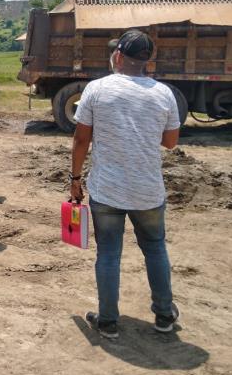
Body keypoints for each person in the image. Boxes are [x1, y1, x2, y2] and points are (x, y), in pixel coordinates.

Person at [70, 30, 181, 339]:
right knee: (155, 249)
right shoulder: (164, 94)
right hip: (148, 190)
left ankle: (107, 321)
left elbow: (81, 139)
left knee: (108, 254)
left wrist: (75, 178)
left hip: (106, 191)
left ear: (118, 56)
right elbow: (171, 142)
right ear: (147, 61)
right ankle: (163, 315)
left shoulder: (97, 89)